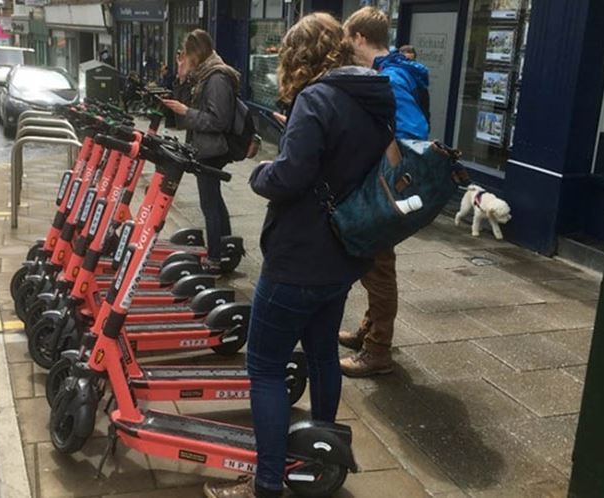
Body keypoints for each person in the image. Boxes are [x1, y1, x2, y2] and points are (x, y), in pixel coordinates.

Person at [202, 13, 396, 498]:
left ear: (301, 56)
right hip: (343, 255)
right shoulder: (372, 97)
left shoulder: (317, 98)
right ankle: (319, 454)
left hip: (299, 257)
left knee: (265, 367)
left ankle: (266, 483)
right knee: (323, 352)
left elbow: (289, 177)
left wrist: (261, 172)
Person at [337, 6, 430, 377]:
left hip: (385, 187)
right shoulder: (390, 72)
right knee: (374, 263)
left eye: (347, 38)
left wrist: (383, 162)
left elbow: (412, 133)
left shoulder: (390, 78)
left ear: (359, 38)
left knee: (379, 267)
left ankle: (378, 351)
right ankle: (369, 330)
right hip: (383, 184)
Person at [160, 30, 240, 274]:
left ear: (196, 52)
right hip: (203, 147)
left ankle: (216, 258)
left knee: (210, 204)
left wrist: (187, 112)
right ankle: (225, 249)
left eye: (187, 55)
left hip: (212, 150)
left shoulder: (216, 78)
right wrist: (181, 77)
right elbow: (178, 117)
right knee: (214, 200)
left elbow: (219, 121)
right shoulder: (203, 75)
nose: (185, 58)